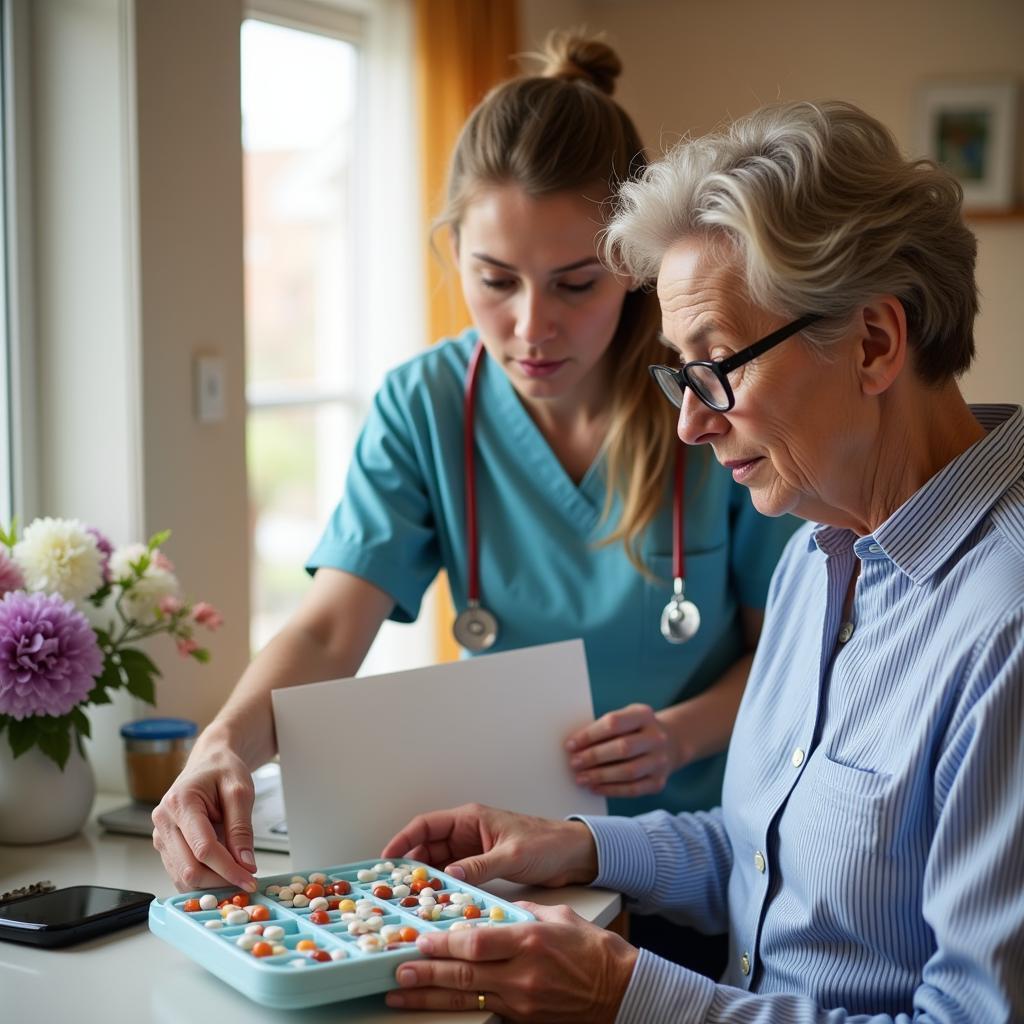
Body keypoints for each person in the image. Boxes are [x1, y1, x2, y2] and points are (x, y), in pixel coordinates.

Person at [151, 31, 796, 972]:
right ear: (452, 250)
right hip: (508, 867)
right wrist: (223, 748)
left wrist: (679, 734)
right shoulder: (422, 408)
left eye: (576, 283)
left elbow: (789, 650)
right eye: (494, 281)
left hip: (701, 864)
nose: (531, 328)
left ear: (633, 265)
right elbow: (330, 632)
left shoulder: (708, 403)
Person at [378, 99, 1024, 1022]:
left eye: (718, 365)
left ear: (875, 342)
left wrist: (623, 992)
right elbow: (763, 852)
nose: (689, 422)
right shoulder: (818, 555)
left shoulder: (1006, 625)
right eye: (678, 373)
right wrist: (579, 847)